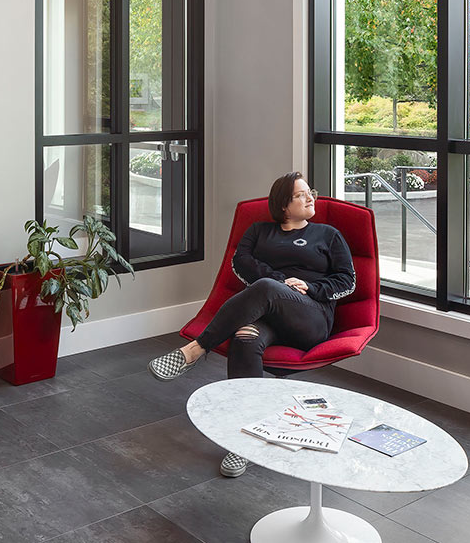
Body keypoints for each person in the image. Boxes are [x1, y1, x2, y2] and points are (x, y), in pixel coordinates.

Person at [148, 171, 356, 477]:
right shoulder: (259, 231)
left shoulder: (328, 235)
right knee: (245, 337)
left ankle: (194, 350)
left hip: (310, 317)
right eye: (301, 194)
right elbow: (241, 263)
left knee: (265, 287)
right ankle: (242, 441)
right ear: (284, 205)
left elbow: (347, 280)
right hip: (267, 316)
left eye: (310, 191)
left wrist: (309, 288)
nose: (310, 197)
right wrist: (283, 281)